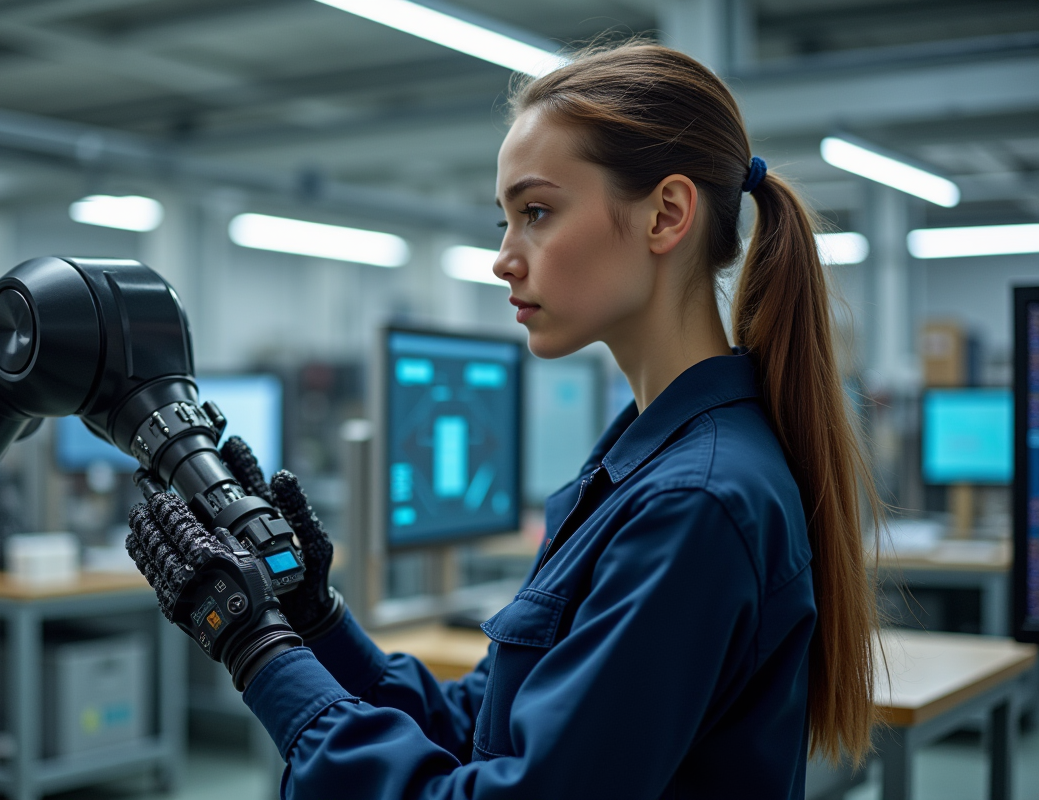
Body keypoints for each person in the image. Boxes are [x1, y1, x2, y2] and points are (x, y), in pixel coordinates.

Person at [127, 40, 881, 799]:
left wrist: (255, 646)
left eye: (538, 213)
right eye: (505, 222)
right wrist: (312, 618)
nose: (504, 258)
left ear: (666, 214)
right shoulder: (637, 463)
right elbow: (478, 723)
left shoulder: (694, 505)